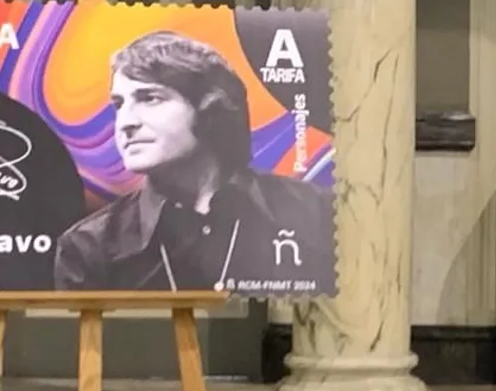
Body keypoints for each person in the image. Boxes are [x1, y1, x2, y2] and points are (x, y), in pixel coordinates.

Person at [53, 31, 337, 295]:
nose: (125, 123)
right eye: (119, 104)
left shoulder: (317, 211)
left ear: (210, 109)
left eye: (150, 98)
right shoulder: (87, 248)